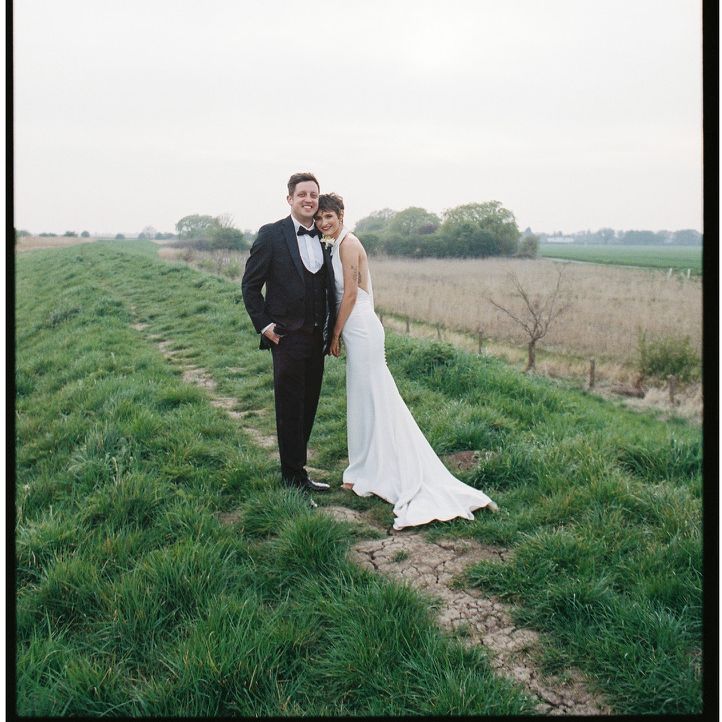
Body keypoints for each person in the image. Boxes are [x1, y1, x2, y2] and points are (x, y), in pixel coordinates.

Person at [314, 193, 499, 529]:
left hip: (360, 327)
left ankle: (377, 469)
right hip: (354, 327)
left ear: (341, 215)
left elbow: (351, 294)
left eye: (329, 216)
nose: (324, 222)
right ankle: (363, 468)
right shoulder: (335, 243)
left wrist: (335, 334)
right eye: (319, 218)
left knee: (375, 397)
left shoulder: (348, 244)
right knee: (363, 398)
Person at [241, 172, 337, 493]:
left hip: (317, 338)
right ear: (290, 199)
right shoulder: (271, 235)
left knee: (308, 405)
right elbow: (250, 286)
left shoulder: (325, 235)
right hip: (285, 337)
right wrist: (265, 326)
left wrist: (333, 331)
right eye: (302, 195)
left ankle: (298, 470)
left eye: (313, 195)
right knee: (289, 407)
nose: (309, 200)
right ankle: (292, 477)